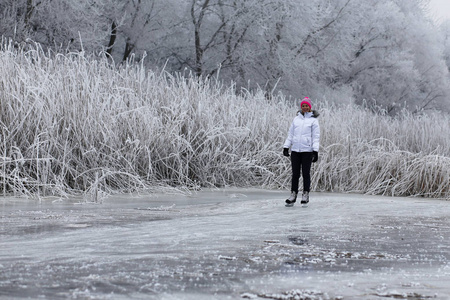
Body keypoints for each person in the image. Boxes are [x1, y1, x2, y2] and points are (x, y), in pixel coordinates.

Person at [283, 97, 320, 205]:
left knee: (305, 173)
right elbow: (291, 134)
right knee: (295, 174)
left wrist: (315, 151)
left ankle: (305, 194)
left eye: (306, 106)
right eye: (303, 106)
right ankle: (293, 194)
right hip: (295, 150)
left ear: (310, 107)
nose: (304, 107)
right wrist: (286, 147)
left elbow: (316, 136)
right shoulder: (296, 119)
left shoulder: (313, 121)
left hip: (307, 151)